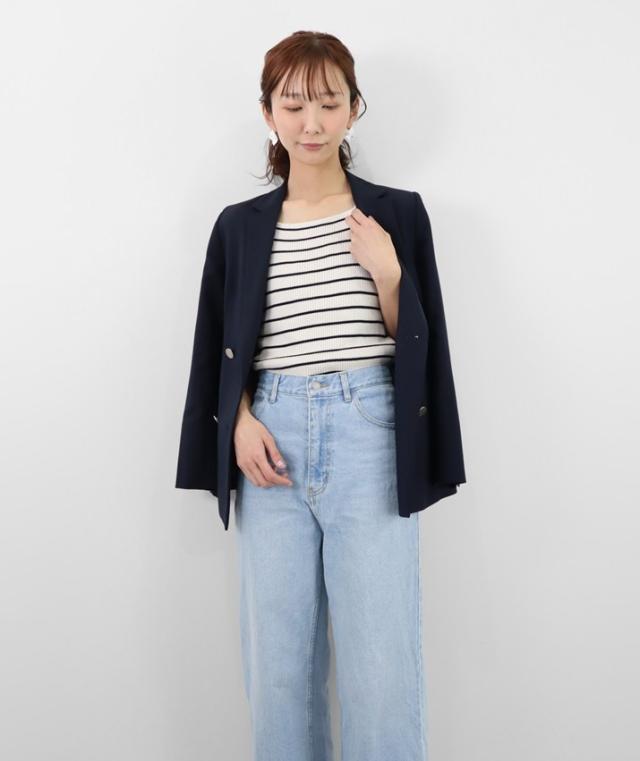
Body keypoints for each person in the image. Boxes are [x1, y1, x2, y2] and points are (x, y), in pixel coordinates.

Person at [176, 30, 466, 761]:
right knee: (278, 665)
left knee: (379, 660)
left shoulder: (396, 214)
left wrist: (389, 275)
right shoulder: (238, 227)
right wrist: (239, 421)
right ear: (268, 112)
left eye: (329, 103)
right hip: (268, 440)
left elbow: (421, 345)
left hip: (370, 431)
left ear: (354, 108)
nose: (312, 123)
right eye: (294, 104)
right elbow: (216, 347)